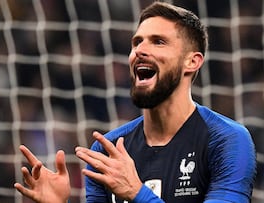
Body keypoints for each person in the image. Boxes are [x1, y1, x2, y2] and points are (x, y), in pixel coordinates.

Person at [14, 2, 256, 203]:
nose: (140, 50)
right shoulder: (108, 149)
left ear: (191, 62)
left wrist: (137, 193)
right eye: (137, 42)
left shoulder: (226, 139)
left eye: (158, 41)